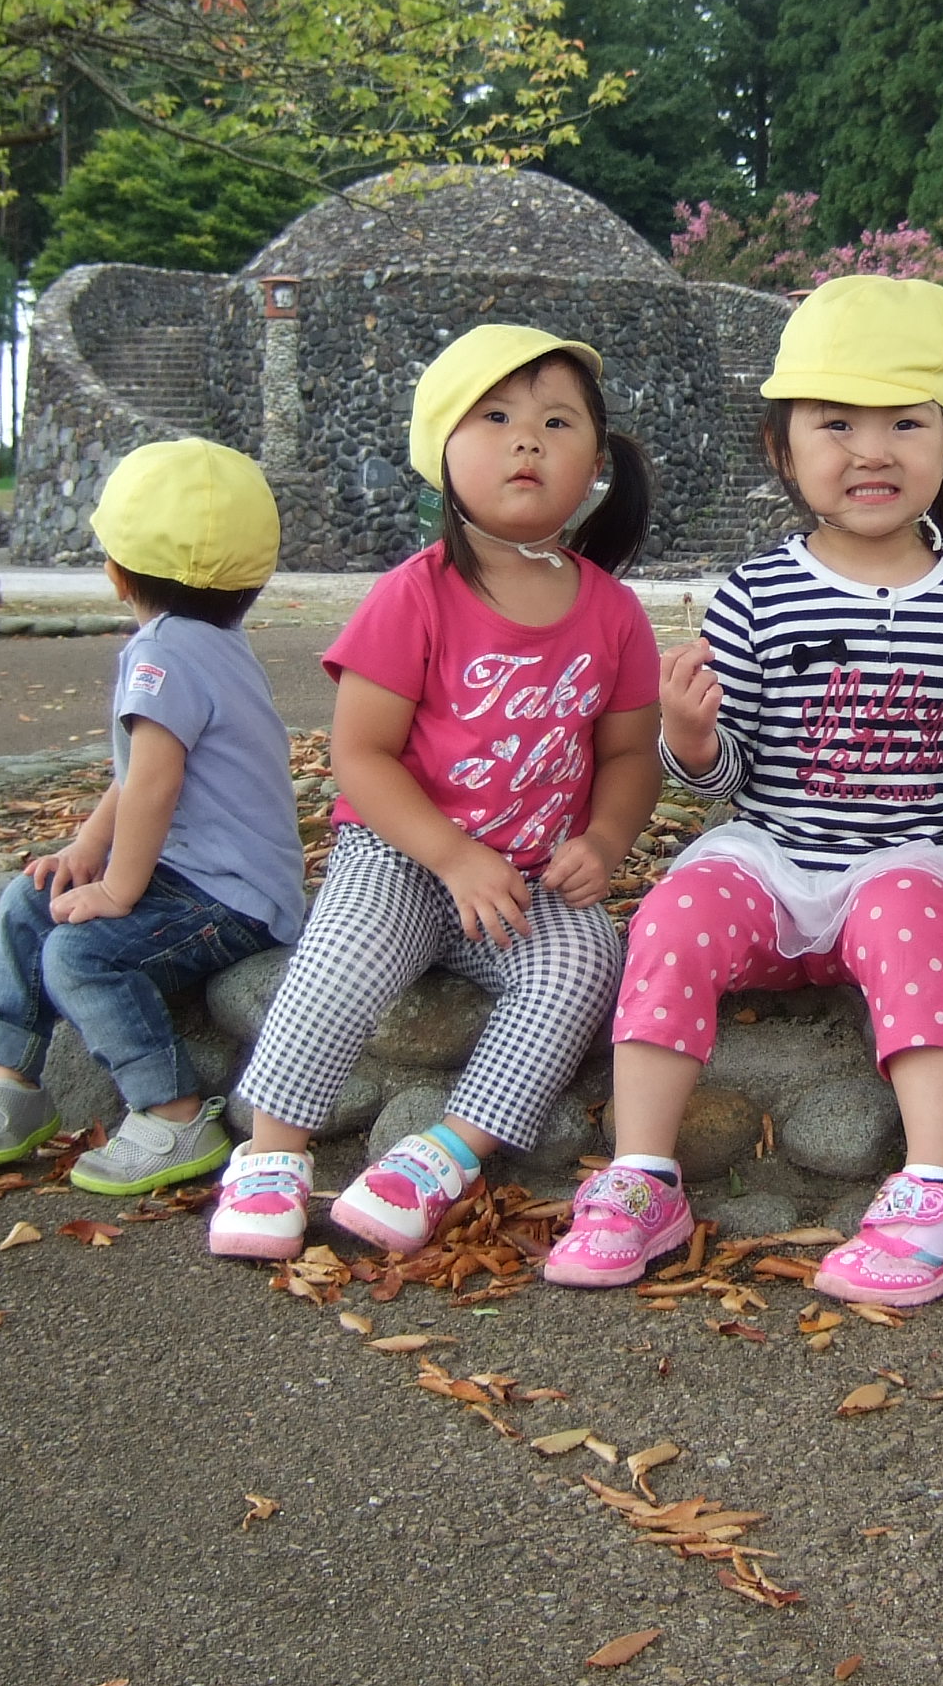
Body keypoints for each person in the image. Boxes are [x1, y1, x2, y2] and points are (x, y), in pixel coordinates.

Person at [544, 274, 943, 1308]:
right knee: (673, 913)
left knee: (900, 910)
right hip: (775, 860)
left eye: (903, 424)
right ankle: (641, 1176)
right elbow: (729, 774)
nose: (871, 451)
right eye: (835, 424)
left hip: (913, 863)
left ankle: (941, 1189)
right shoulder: (758, 594)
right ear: (782, 447)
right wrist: (691, 738)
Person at [212, 325, 661, 1260]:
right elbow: (362, 755)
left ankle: (441, 1156)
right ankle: (271, 1152)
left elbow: (629, 755)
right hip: (403, 854)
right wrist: (452, 855)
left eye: (557, 422)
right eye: (493, 418)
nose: (527, 439)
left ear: (597, 464)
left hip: (530, 880)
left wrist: (605, 842)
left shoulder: (614, 612)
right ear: (442, 454)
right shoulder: (414, 594)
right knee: (343, 957)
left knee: (586, 965)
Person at [0, 440, 305, 1196]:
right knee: (32, 898)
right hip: (202, 877)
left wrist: (115, 889)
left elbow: (154, 785)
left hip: (231, 899)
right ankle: (9, 1084)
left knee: (82, 955)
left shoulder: (165, 652)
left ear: (116, 570)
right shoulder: (216, 643)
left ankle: (174, 1116)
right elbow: (143, 773)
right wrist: (87, 848)